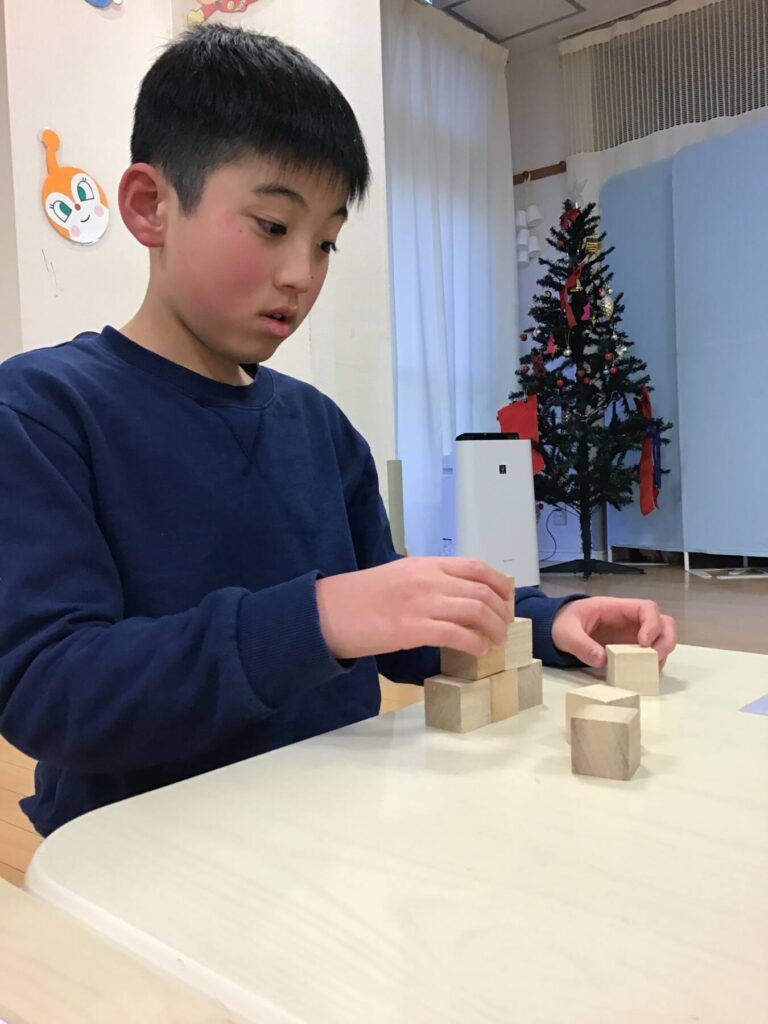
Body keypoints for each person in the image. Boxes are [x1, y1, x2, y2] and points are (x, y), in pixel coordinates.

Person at [0, 25, 675, 838]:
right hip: (140, 850)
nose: (302, 275)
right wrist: (318, 616)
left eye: (325, 242)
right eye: (272, 226)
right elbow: (51, 690)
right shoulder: (42, 412)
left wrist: (545, 623)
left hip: (336, 830)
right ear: (151, 206)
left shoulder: (318, 426)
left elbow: (397, 628)